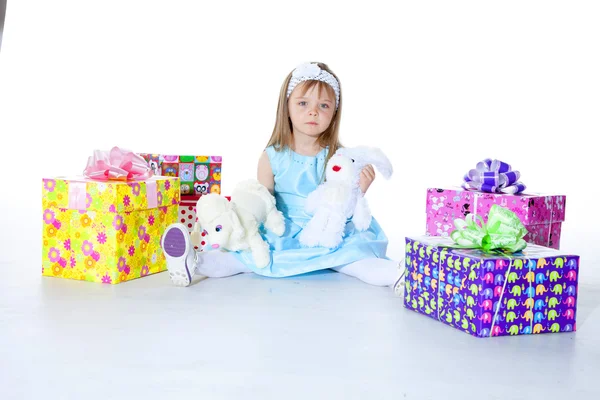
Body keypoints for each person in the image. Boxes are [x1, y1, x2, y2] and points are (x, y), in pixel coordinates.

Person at [161, 62, 403, 290]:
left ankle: (400, 275)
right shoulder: (272, 156)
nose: (313, 112)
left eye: (324, 106)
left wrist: (358, 189)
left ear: (334, 112)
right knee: (242, 258)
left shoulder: (340, 157)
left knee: (355, 259)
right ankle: (193, 262)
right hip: (284, 229)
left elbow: (341, 205)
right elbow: (262, 203)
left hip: (325, 231)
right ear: (286, 106)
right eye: (303, 103)